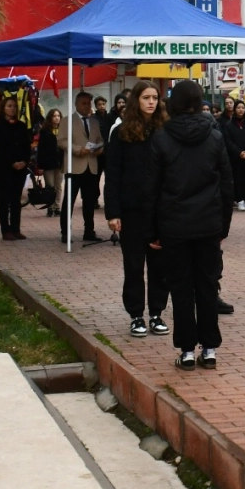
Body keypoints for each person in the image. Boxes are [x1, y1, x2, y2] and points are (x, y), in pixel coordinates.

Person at [139, 80, 233, 370]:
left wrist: (152, 231)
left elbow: (151, 189)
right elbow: (227, 185)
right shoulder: (215, 137)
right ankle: (210, 348)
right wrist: (223, 227)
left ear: (173, 103)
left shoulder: (161, 138)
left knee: (180, 289)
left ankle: (187, 350)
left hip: (174, 226)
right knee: (207, 287)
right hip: (207, 225)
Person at [104, 81, 170, 338]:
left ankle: (156, 313)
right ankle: (136, 315)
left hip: (159, 210)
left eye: (155, 97)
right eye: (146, 98)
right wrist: (113, 212)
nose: (151, 102)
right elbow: (113, 174)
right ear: (136, 101)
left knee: (159, 266)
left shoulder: (164, 130)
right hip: (131, 209)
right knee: (133, 265)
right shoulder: (120, 132)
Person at [62, 92, 106, 242]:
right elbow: (61, 141)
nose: (87, 106)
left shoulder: (94, 122)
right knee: (69, 201)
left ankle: (89, 231)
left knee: (89, 201)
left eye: (89, 103)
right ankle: (65, 232)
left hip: (91, 165)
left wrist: (100, 148)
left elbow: (99, 138)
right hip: (74, 166)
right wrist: (77, 149)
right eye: (84, 103)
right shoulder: (67, 121)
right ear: (76, 104)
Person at [0, 96, 33, 241]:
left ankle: (16, 228)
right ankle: (5, 230)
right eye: (9, 106)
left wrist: (24, 161)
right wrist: (11, 162)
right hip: (4, 168)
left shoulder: (21, 126)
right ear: (3, 108)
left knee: (16, 199)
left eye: (14, 106)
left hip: (20, 168)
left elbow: (27, 146)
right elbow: (0, 149)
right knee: (4, 199)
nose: (12, 108)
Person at [222, 100, 245, 210]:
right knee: (237, 178)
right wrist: (239, 152)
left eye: (242, 107)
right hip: (235, 157)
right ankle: (239, 200)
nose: (241, 110)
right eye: (238, 108)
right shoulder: (229, 125)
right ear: (234, 109)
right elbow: (228, 141)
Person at [34, 108, 66, 217]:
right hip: (48, 163)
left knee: (59, 186)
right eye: (54, 116)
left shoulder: (64, 130)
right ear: (50, 118)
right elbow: (41, 149)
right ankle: (50, 206)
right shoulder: (45, 131)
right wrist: (40, 165)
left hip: (60, 162)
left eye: (58, 116)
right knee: (50, 186)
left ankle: (57, 207)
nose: (57, 118)